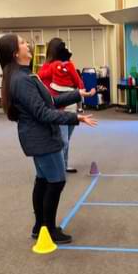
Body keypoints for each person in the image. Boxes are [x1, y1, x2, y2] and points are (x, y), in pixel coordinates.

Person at [0, 34, 97, 243]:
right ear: (15, 53)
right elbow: (43, 113)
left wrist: (78, 94)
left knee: (43, 180)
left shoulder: (25, 76)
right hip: (41, 139)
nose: (28, 45)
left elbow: (49, 100)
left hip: (39, 137)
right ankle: (48, 229)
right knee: (56, 181)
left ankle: (39, 226)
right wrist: (75, 117)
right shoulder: (21, 80)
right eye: (23, 43)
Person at [38, 38, 94, 173]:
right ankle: (59, 166)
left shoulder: (68, 64)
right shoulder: (47, 67)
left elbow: (77, 80)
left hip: (71, 105)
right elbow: (43, 84)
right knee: (62, 139)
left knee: (66, 138)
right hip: (58, 107)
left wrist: (84, 92)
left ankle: (64, 163)